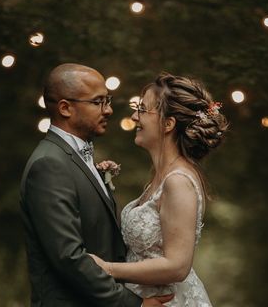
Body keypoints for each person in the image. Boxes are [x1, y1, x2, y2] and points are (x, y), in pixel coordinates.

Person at [19, 63, 174, 307]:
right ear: (65, 108)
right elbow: (68, 257)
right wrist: (135, 305)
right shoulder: (49, 164)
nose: (109, 110)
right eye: (98, 101)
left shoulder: (75, 158)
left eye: (108, 100)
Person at [89, 73, 228, 306]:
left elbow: (177, 266)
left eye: (143, 110)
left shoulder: (178, 182)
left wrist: (108, 269)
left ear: (168, 124)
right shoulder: (160, 177)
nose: (134, 116)